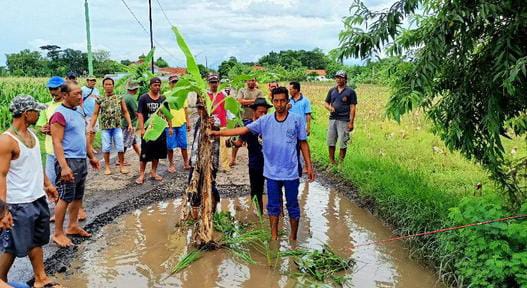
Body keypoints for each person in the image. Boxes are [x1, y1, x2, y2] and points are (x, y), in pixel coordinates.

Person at [210, 87, 315, 241]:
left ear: (287, 102)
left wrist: (309, 165)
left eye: (282, 101)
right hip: (271, 173)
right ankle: (274, 239)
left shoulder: (296, 119)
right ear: (273, 101)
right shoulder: (264, 121)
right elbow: (243, 129)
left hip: (291, 172)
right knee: (272, 207)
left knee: (292, 205)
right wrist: (217, 133)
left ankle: (293, 239)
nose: (279, 104)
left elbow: (303, 143)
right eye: (276, 101)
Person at [0, 95, 62, 288]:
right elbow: (0, 176)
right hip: (18, 202)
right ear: (27, 114)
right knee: (11, 245)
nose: (39, 113)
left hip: (37, 198)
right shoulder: (6, 141)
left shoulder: (33, 135)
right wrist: (3, 211)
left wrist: (48, 184)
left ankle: (40, 278)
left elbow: (36, 164)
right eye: (36, 110)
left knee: (36, 240)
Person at [50, 81, 100, 248]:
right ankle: (57, 233)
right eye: (76, 94)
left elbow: (83, 137)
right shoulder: (59, 114)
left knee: (77, 196)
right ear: (64, 95)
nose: (80, 97)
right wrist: (64, 167)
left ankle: (72, 226)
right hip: (68, 160)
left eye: (80, 93)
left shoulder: (78, 111)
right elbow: (56, 142)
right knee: (64, 197)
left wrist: (91, 156)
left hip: (80, 160)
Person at [232, 98, 272, 214]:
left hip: (271, 163)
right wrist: (230, 142)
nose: (263, 114)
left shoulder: (271, 124)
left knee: (275, 190)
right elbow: (239, 143)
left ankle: (278, 214)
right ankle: (259, 215)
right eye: (260, 112)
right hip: (255, 164)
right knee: (256, 191)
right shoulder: (248, 126)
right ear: (254, 112)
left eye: (265, 112)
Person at [89, 77, 133, 175]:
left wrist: (129, 123)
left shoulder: (119, 98)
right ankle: (107, 167)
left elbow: (125, 111)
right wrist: (90, 126)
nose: (108, 86)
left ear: (113, 86)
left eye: (110, 84)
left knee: (120, 147)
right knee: (106, 148)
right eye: (106, 84)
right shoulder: (99, 99)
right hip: (105, 128)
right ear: (103, 86)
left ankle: (122, 166)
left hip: (117, 127)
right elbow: (95, 113)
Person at [188, 99, 221, 219]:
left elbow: (216, 125)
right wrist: (191, 159)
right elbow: (195, 142)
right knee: (193, 187)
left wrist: (211, 124)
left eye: (202, 108)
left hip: (209, 162)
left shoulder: (213, 120)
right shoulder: (198, 121)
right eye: (198, 108)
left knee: (209, 186)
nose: (200, 111)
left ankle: (211, 214)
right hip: (196, 161)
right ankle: (196, 218)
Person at [136, 77, 172, 184]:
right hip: (148, 131)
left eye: (159, 85)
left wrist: (170, 127)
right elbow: (140, 114)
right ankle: (142, 174)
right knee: (145, 153)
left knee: (157, 153)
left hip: (159, 130)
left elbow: (167, 114)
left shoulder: (163, 99)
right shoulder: (144, 98)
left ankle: (153, 172)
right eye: (155, 85)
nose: (157, 87)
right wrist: (142, 129)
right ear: (150, 86)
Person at [324, 70, 357, 164]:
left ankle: (340, 163)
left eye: (341, 77)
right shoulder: (332, 90)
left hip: (344, 120)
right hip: (333, 119)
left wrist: (351, 122)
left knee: (343, 142)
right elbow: (326, 103)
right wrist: (329, 107)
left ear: (345, 79)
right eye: (337, 77)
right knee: (331, 141)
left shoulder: (350, 92)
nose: (338, 79)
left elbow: (353, 107)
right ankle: (332, 161)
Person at [231, 77, 264, 166]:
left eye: (253, 80)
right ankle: (233, 159)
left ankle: (252, 160)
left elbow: (260, 103)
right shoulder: (242, 90)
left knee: (253, 142)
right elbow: (240, 101)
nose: (251, 82)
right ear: (246, 81)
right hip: (242, 118)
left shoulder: (259, 92)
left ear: (255, 81)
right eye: (249, 80)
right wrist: (254, 101)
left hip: (255, 120)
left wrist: (246, 102)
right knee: (238, 140)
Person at [166, 75, 191, 173]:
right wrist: (170, 125)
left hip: (181, 123)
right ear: (169, 84)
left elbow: (185, 110)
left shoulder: (182, 95)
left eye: (176, 82)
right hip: (170, 126)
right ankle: (171, 164)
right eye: (173, 82)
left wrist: (188, 122)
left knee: (184, 145)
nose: (175, 84)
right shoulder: (166, 95)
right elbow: (165, 111)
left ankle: (186, 163)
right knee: (169, 146)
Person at [207, 74, 230, 172]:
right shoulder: (206, 95)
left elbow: (227, 108)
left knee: (224, 146)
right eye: (212, 82)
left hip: (222, 123)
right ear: (208, 83)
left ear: (218, 83)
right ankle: (210, 164)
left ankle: (225, 166)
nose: (214, 84)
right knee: (210, 145)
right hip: (210, 124)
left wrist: (228, 119)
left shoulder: (223, 95)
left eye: (215, 82)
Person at [119, 80, 141, 166]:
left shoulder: (125, 96)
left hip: (125, 122)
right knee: (125, 142)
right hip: (129, 124)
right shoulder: (131, 98)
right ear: (134, 89)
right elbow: (136, 112)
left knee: (133, 141)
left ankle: (141, 156)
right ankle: (120, 159)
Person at [81, 76, 100, 155]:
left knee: (94, 131)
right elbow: (80, 101)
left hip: (95, 115)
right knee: (88, 132)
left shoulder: (96, 90)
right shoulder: (82, 90)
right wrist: (82, 111)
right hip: (86, 114)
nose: (93, 82)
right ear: (87, 81)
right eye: (91, 80)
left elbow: (98, 100)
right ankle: (87, 148)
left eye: (94, 81)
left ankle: (90, 146)